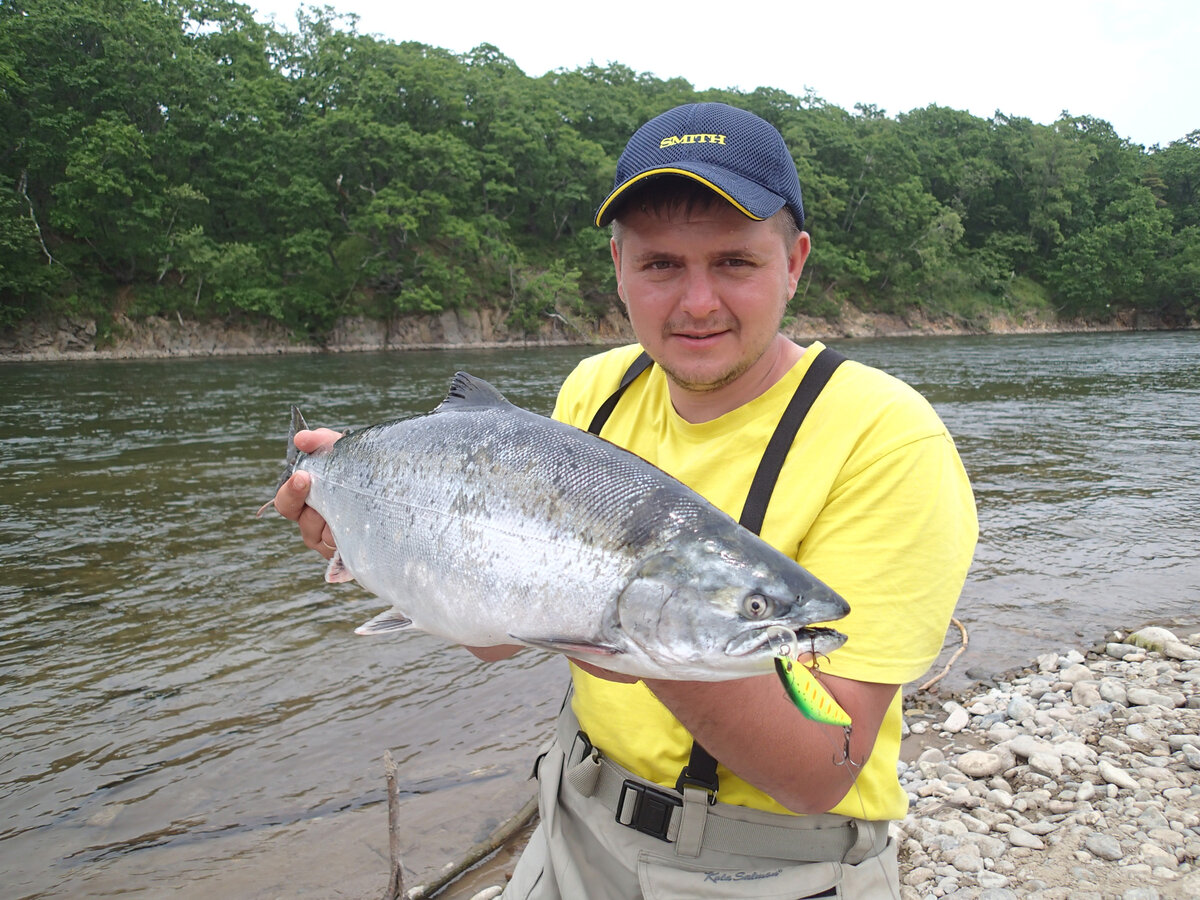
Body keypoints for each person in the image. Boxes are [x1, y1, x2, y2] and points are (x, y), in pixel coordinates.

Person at [273, 102, 978, 898]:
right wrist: (381, 546)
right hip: (571, 813)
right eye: (661, 265)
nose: (699, 302)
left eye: (736, 263)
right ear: (618, 268)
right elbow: (502, 633)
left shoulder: (886, 440)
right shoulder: (598, 390)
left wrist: (635, 623)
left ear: (796, 263)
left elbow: (822, 773)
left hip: (767, 861)